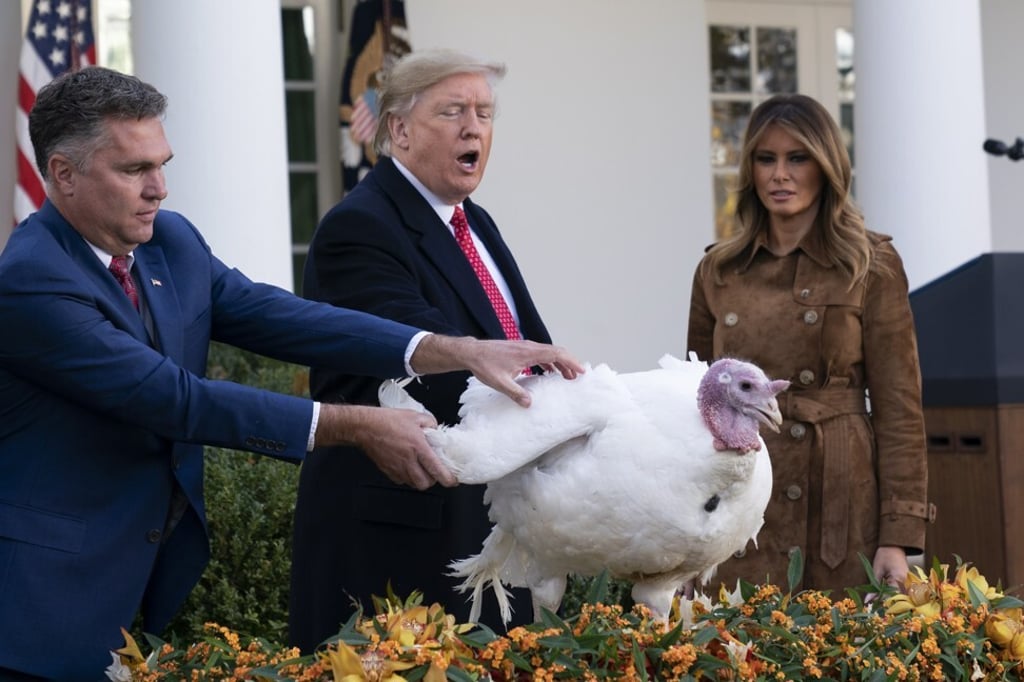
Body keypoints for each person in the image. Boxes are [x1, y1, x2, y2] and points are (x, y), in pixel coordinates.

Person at [0, 65, 582, 681]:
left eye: (162, 163)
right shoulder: (33, 281)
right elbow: (174, 400)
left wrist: (449, 348)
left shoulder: (167, 242)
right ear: (63, 174)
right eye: (135, 170)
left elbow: (277, 315)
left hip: (131, 584)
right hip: (39, 606)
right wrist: (356, 424)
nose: (160, 189)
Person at [288, 49, 552, 650]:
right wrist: (560, 413)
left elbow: (520, 346)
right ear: (399, 129)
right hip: (399, 541)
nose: (474, 129)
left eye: (485, 113)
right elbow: (430, 370)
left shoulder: (473, 221)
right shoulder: (360, 228)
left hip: (484, 528)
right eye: (453, 111)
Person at [687, 94, 934, 594]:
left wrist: (899, 536)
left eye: (797, 158)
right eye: (766, 158)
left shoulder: (871, 265)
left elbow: (899, 410)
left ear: (826, 167)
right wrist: (690, 539)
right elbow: (695, 409)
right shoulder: (718, 270)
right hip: (745, 496)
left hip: (842, 501)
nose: (781, 174)